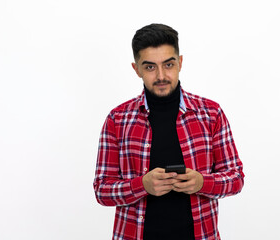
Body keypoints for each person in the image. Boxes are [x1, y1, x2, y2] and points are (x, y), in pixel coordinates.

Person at [93, 23, 244, 240]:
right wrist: (141, 185)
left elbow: (236, 177)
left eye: (169, 64)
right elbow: (101, 190)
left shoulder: (211, 114)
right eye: (150, 67)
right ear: (136, 69)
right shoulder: (117, 119)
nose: (161, 75)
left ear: (180, 62)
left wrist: (202, 182)